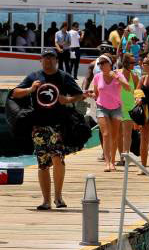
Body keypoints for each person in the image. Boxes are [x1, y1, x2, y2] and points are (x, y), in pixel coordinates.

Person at [11, 49, 90, 210]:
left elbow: (79, 95)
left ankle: (58, 197)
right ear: (41, 60)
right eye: (45, 58)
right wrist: (30, 89)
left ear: (56, 60)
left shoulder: (63, 77)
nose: (48, 61)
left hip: (58, 125)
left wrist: (66, 99)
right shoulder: (34, 76)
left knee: (57, 157)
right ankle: (46, 200)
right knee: (43, 163)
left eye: (51, 58)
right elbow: (14, 93)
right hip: (38, 125)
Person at [92, 54, 130, 172]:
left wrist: (117, 78)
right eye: (99, 64)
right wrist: (91, 95)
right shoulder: (97, 77)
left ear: (110, 64)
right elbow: (95, 93)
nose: (101, 65)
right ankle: (107, 162)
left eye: (103, 63)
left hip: (116, 108)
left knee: (115, 135)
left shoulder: (118, 75)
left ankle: (113, 161)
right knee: (106, 134)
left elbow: (128, 88)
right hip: (102, 107)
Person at [119, 53, 140, 164]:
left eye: (134, 62)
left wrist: (139, 101)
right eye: (132, 63)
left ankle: (125, 156)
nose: (134, 65)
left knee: (127, 134)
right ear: (125, 63)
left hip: (129, 108)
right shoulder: (117, 74)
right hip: (117, 107)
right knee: (118, 134)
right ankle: (119, 155)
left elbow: (138, 91)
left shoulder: (135, 76)